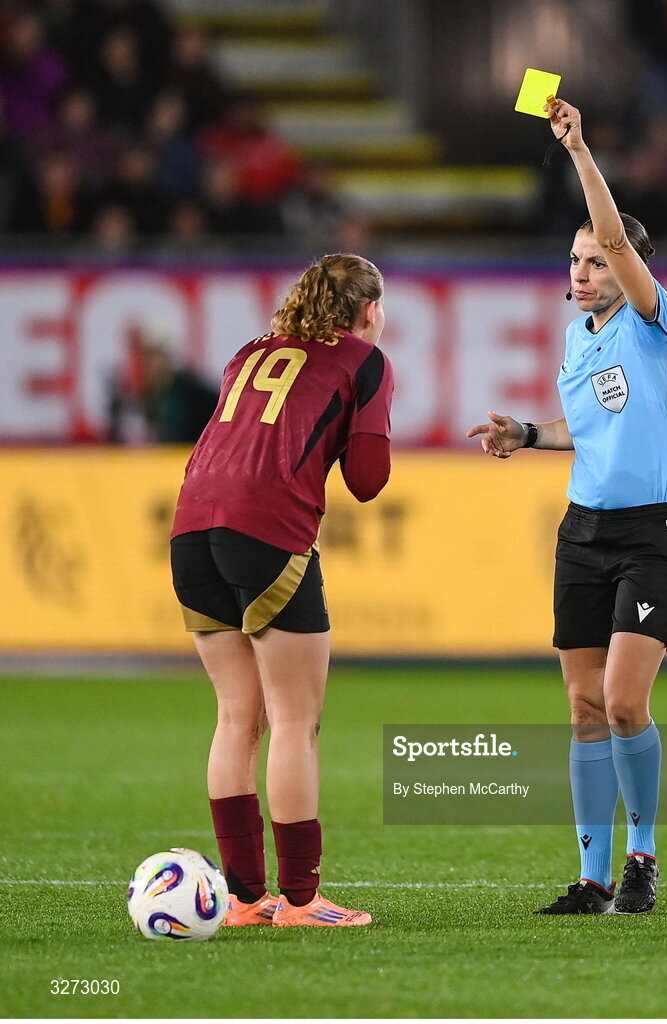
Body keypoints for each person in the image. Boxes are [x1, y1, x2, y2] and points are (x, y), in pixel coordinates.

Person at [468, 100, 667, 915]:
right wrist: (529, 434)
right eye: (574, 261)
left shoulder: (652, 321)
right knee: (582, 706)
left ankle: (641, 856)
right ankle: (593, 878)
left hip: (658, 532)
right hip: (586, 533)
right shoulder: (580, 339)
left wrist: (577, 149)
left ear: (629, 265)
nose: (582, 270)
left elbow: (611, 233)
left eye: (595, 261)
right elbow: (591, 429)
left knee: (627, 700)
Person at [170, 253, 393, 927]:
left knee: (238, 718)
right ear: (368, 311)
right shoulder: (363, 360)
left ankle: (242, 900)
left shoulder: (249, 352)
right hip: (267, 530)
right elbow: (368, 478)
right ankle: (300, 900)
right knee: (296, 720)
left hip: (189, 528)